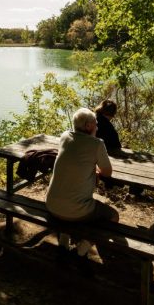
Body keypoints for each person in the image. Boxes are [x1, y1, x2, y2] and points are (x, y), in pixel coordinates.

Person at [46, 107, 119, 273]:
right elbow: (107, 172)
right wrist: (95, 169)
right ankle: (80, 251)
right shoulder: (97, 144)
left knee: (68, 195)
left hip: (51, 204)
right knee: (113, 216)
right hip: (76, 211)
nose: (98, 127)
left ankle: (63, 244)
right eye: (96, 124)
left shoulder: (65, 136)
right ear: (88, 126)